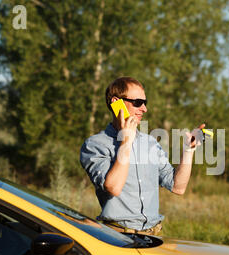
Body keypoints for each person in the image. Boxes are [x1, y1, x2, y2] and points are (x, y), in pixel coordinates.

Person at [80, 76, 204, 236]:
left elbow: (177, 187)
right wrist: (126, 141)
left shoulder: (150, 143)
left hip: (154, 236)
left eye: (145, 103)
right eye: (138, 102)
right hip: (118, 238)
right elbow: (113, 187)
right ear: (116, 102)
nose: (144, 109)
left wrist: (188, 150)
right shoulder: (95, 145)